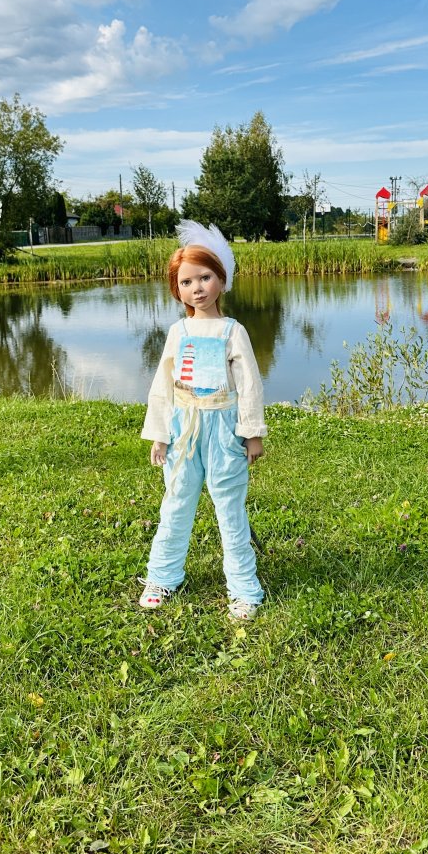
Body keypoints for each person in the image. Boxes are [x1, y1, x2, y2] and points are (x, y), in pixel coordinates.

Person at [139, 220, 266, 621]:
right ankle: (163, 576)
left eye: (205, 277)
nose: (197, 288)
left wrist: (252, 433)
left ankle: (244, 590)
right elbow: (164, 383)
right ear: (177, 289)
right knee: (176, 503)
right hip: (184, 430)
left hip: (223, 430)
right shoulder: (178, 332)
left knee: (230, 509)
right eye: (187, 281)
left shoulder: (233, 331)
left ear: (222, 280)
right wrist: (160, 434)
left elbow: (250, 385)